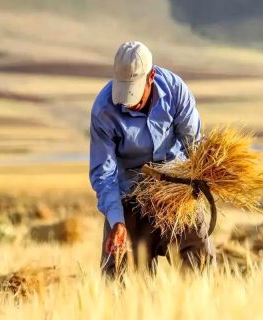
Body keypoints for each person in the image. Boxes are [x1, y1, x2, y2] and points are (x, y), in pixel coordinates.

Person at [89, 41, 215, 277]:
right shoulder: (103, 110)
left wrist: (199, 182)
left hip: (176, 191)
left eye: (134, 91)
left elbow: (193, 145)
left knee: (199, 269)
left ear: (151, 76)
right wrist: (117, 221)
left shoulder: (175, 90)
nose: (128, 100)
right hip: (131, 194)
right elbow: (103, 174)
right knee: (119, 274)